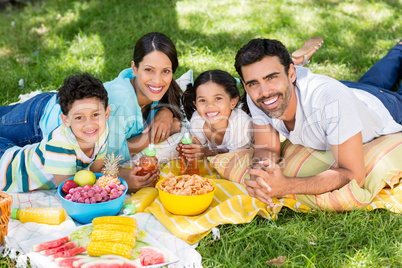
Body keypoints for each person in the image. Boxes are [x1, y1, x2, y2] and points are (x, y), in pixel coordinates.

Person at [0, 32, 183, 191]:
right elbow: (108, 160)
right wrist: (151, 137)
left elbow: (176, 94)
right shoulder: (119, 107)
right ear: (134, 68)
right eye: (149, 70)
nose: (158, 80)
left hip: (54, 102)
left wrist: (166, 111)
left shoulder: (149, 89)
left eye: (165, 71)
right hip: (36, 123)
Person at [234, 38, 402, 207]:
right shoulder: (257, 96)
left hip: (383, 107)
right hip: (351, 91)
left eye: (271, 77)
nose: (264, 91)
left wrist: (286, 185)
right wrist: (260, 174)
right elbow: (267, 148)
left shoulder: (331, 100)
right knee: (373, 81)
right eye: (253, 83)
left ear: (291, 73)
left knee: (380, 87)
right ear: (245, 85)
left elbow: (353, 174)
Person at [0, 73, 110, 192]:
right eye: (79, 117)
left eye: (95, 115)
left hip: (13, 150)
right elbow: (70, 193)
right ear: (66, 120)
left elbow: (98, 172)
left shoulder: (101, 131)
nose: (89, 125)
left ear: (106, 113)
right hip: (6, 168)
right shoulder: (60, 144)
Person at [179, 70, 253, 159]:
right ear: (195, 104)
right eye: (202, 100)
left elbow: (234, 161)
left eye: (218, 98)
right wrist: (191, 150)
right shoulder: (197, 120)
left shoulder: (241, 123)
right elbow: (199, 152)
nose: (210, 106)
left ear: (233, 102)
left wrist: (206, 153)